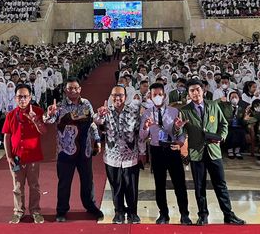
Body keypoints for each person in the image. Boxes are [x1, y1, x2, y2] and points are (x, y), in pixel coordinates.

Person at [175, 79, 245, 226]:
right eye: (192, 90)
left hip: (214, 151)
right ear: (188, 93)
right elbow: (181, 135)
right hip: (196, 153)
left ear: (203, 90)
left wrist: (221, 137)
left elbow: (223, 124)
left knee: (220, 184)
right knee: (199, 187)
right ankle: (203, 215)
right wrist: (178, 128)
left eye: (197, 89)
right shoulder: (184, 111)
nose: (195, 93)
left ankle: (228, 214)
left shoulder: (213, 105)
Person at [45, 78, 103, 223]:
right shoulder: (59, 106)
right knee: (64, 182)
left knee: (88, 182)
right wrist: (49, 114)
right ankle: (62, 210)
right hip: (66, 151)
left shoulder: (86, 104)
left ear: (80, 89)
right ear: (65, 90)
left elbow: (92, 124)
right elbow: (49, 120)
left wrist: (97, 139)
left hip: (85, 150)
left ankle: (90, 206)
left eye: (75, 88)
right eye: (70, 88)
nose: (73, 91)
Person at [139, 83, 191, 225]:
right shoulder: (147, 113)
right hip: (157, 151)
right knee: (159, 184)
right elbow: (142, 136)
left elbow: (180, 133)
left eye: (159, 94)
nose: (157, 97)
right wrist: (145, 127)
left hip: (172, 149)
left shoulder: (174, 111)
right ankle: (163, 214)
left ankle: (184, 214)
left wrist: (180, 143)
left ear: (165, 96)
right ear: (150, 96)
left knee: (179, 184)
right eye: (154, 95)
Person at [95, 85, 142, 224]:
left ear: (125, 97)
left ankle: (133, 212)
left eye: (120, 95)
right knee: (116, 186)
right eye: (114, 95)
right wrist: (99, 115)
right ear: (111, 97)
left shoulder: (134, 111)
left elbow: (139, 133)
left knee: (131, 186)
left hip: (130, 157)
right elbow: (97, 121)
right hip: (112, 157)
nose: (117, 98)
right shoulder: (105, 112)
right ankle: (119, 212)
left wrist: (142, 152)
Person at [3, 84, 47, 224]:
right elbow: (7, 137)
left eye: (25, 96)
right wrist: (9, 156)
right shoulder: (10, 115)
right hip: (16, 158)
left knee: (34, 185)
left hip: (33, 157)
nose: (22, 99)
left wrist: (35, 120)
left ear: (30, 97)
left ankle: (35, 211)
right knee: (17, 186)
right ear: (15, 98)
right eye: (19, 97)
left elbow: (44, 131)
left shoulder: (39, 111)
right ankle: (18, 211)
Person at [219, 91, 247, 159]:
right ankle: (230, 150)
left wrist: (245, 119)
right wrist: (220, 99)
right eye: (232, 97)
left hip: (238, 125)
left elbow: (243, 121)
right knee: (230, 132)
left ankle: (237, 151)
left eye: (236, 97)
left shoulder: (242, 109)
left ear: (238, 99)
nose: (234, 99)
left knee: (241, 132)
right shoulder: (225, 107)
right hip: (228, 125)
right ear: (229, 99)